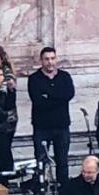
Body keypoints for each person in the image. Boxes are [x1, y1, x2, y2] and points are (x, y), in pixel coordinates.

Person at [27, 46, 74, 186]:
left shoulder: (65, 77)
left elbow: (69, 94)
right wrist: (58, 98)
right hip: (42, 127)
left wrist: (49, 96)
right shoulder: (34, 79)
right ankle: (38, 194)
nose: (50, 62)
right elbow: (38, 101)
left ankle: (64, 193)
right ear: (41, 61)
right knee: (40, 163)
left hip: (62, 126)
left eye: (52, 58)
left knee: (63, 162)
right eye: (46, 59)